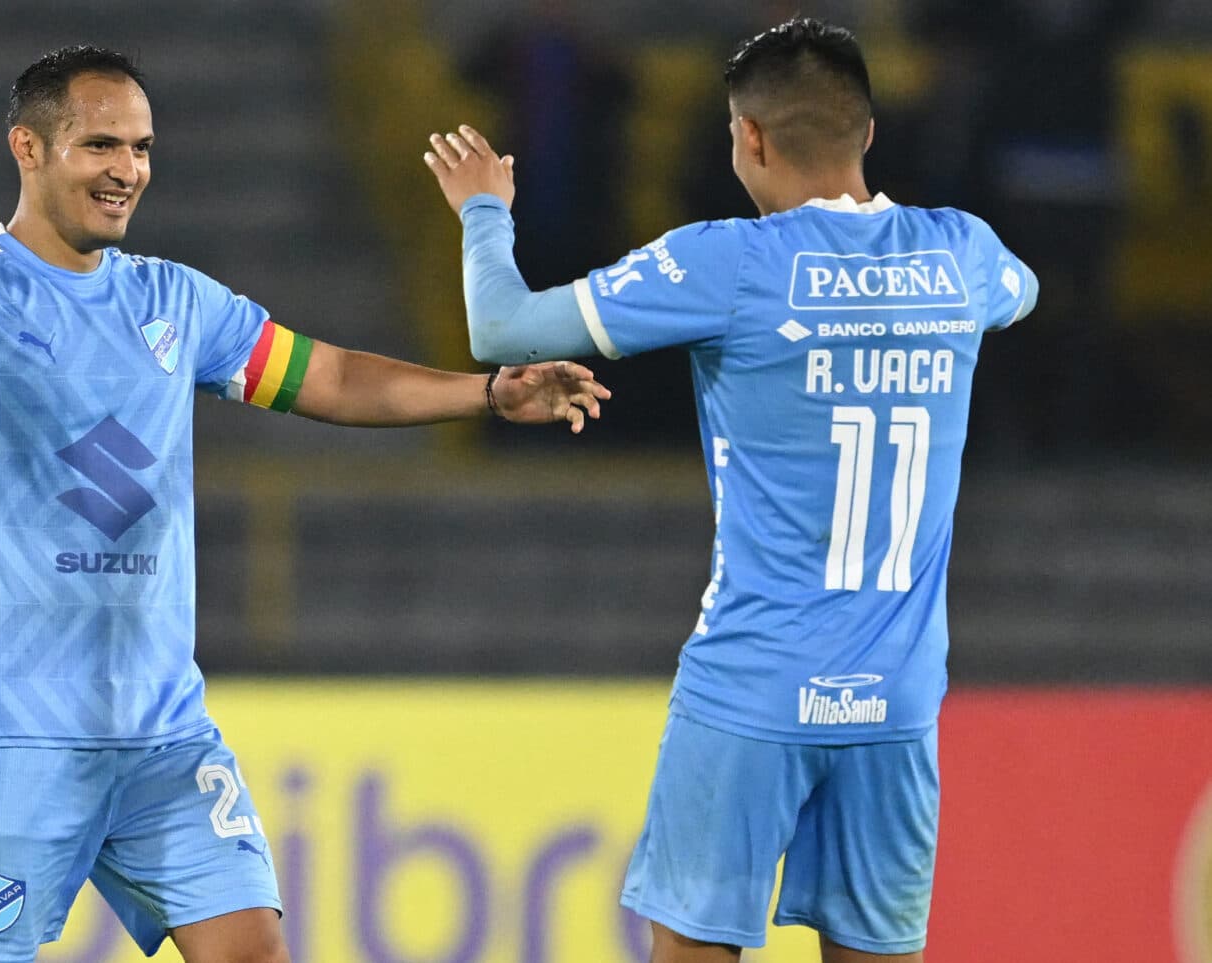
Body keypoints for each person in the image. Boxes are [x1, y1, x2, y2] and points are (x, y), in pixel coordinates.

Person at [0, 45, 609, 963]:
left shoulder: (175, 300)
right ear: (27, 147)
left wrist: (488, 394)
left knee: (253, 951)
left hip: (161, 735)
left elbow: (325, 374)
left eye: (140, 148)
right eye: (100, 146)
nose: (127, 170)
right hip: (11, 740)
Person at [423, 18, 1036, 963]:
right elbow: (1019, 290)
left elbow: (503, 327)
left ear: (748, 138)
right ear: (866, 133)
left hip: (752, 687)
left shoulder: (729, 262)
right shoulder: (958, 254)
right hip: (896, 703)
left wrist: (482, 209)